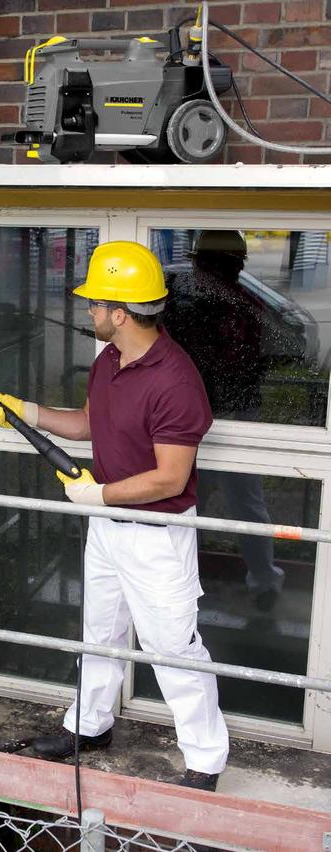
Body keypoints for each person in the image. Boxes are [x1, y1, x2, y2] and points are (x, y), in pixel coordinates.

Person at [0, 240, 229, 792]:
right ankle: (90, 727)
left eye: (95, 303)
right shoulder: (110, 360)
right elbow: (88, 426)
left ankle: (206, 760)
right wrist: (27, 411)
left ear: (120, 312)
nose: (89, 311)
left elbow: (170, 477)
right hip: (109, 528)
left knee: (173, 647)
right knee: (100, 633)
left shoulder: (175, 381)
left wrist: (100, 497)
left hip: (156, 536)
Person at [163, 230, 285, 611]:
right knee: (238, 505)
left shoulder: (193, 303)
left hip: (211, 417)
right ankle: (263, 580)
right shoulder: (241, 303)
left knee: (190, 503)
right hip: (221, 415)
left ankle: (182, 583)